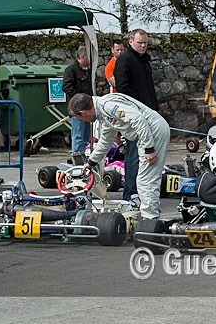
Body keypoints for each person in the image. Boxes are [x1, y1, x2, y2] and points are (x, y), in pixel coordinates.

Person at [69, 93, 170, 219]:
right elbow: (106, 139)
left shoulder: (107, 106)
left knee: (146, 180)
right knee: (146, 179)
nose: (83, 121)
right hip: (150, 131)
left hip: (152, 132)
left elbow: (137, 119)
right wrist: (91, 162)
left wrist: (148, 147)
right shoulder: (104, 111)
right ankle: (150, 216)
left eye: (80, 118)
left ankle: (150, 219)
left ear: (83, 113)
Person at [114, 28, 159, 202]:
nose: (143, 46)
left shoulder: (144, 60)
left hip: (149, 112)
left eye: (145, 43)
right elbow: (123, 87)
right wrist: (138, 107)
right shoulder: (125, 59)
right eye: (139, 43)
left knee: (147, 156)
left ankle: (143, 191)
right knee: (133, 155)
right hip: (135, 115)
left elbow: (148, 88)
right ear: (131, 41)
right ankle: (130, 192)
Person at [62, 46, 93, 155]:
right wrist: (78, 99)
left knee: (86, 135)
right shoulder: (71, 70)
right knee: (78, 135)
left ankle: (85, 155)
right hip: (77, 109)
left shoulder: (88, 70)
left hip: (88, 108)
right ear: (83, 57)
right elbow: (66, 87)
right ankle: (77, 156)